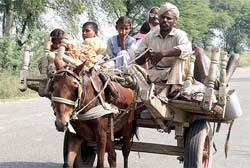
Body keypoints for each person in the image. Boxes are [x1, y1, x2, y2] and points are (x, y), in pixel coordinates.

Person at [126, 2, 192, 101]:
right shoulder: (150, 36)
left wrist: (163, 53)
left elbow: (187, 49)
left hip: (173, 72)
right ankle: (147, 93)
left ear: (174, 22)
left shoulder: (180, 34)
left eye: (169, 18)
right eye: (163, 17)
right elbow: (138, 60)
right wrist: (145, 55)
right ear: (159, 19)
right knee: (131, 68)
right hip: (156, 72)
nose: (165, 20)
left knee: (183, 57)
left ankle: (165, 91)